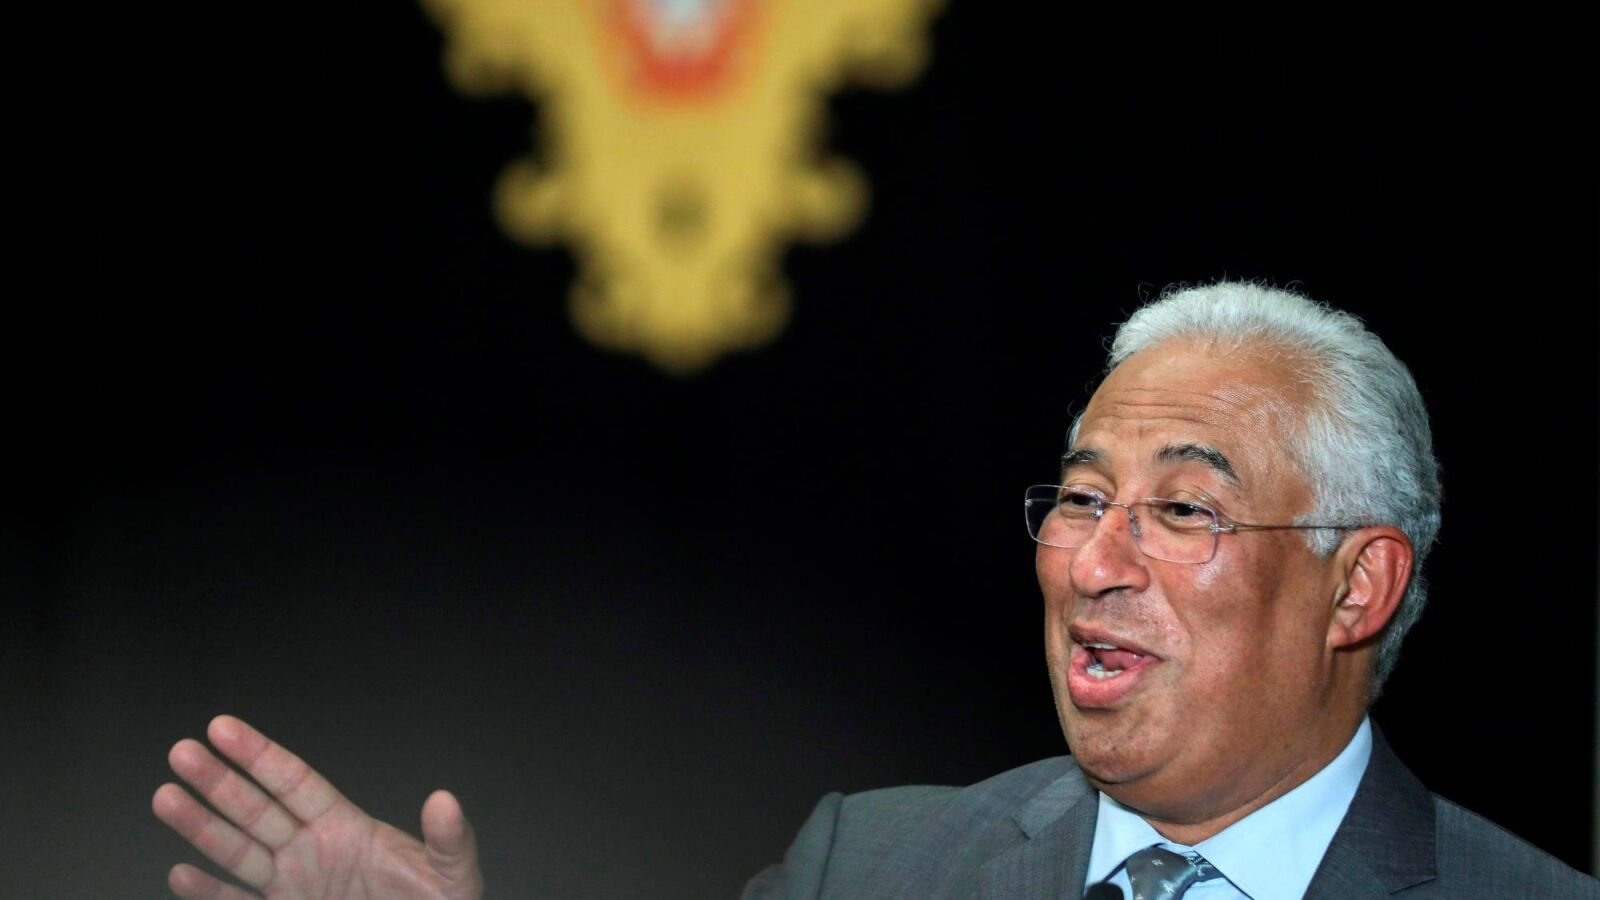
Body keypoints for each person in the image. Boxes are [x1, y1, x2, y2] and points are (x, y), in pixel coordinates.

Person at [151, 282, 1597, 899]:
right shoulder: (872, 866)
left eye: (1182, 511)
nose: (1095, 564)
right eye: (1081, 499)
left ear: (1357, 587)